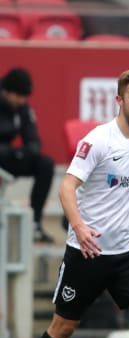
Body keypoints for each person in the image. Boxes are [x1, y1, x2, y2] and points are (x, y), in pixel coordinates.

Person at [34, 69, 129, 338]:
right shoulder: (98, 140)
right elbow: (66, 187)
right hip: (88, 252)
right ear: (119, 100)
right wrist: (80, 228)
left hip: (128, 252)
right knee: (63, 327)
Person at [0, 67, 55, 243]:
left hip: (10, 157)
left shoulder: (22, 108)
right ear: (6, 92)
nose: (21, 100)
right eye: (18, 96)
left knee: (45, 164)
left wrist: (18, 153)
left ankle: (35, 223)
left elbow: (33, 142)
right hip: (6, 155)